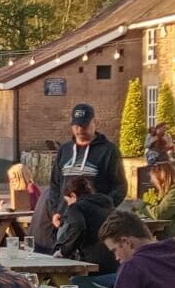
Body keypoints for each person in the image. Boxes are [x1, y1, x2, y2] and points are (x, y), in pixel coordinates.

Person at [29, 103, 127, 251]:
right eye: (76, 126)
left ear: (94, 123)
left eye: (84, 125)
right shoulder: (65, 150)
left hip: (94, 223)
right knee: (63, 256)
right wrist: (55, 211)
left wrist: (104, 207)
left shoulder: (108, 150)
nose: (80, 129)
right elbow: (55, 184)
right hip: (65, 219)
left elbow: (120, 186)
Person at [56, 176, 118, 288]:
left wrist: (63, 251)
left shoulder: (76, 207)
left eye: (67, 201)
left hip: (95, 269)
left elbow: (78, 227)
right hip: (116, 268)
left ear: (73, 195)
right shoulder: (107, 204)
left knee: (71, 285)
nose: (68, 205)